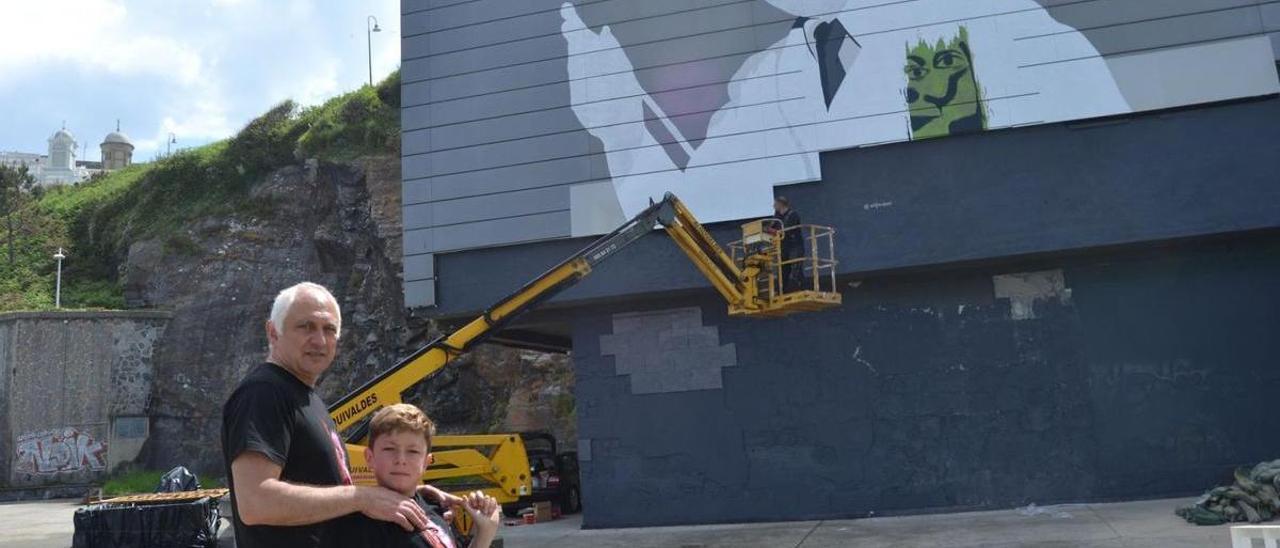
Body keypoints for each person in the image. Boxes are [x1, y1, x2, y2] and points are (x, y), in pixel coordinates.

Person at [221, 282, 461, 548]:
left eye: (329, 329)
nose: (320, 340)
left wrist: (413, 496)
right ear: (273, 332)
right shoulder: (264, 393)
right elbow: (256, 502)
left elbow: (325, 487)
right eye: (306, 326)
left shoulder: (304, 396)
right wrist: (360, 497)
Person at [337, 404, 502, 548]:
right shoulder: (362, 524)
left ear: (426, 462)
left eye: (413, 451)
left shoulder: (435, 509)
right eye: (389, 449)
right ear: (369, 458)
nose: (400, 460)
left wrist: (485, 532)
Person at [773, 197, 804, 291]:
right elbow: (774, 226)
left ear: (780, 204)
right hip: (784, 247)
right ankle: (782, 291)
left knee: (795, 269)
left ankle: (798, 288)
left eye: (775, 204)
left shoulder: (793, 215)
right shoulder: (778, 216)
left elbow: (788, 230)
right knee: (783, 270)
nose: (773, 206)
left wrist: (774, 231)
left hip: (794, 246)